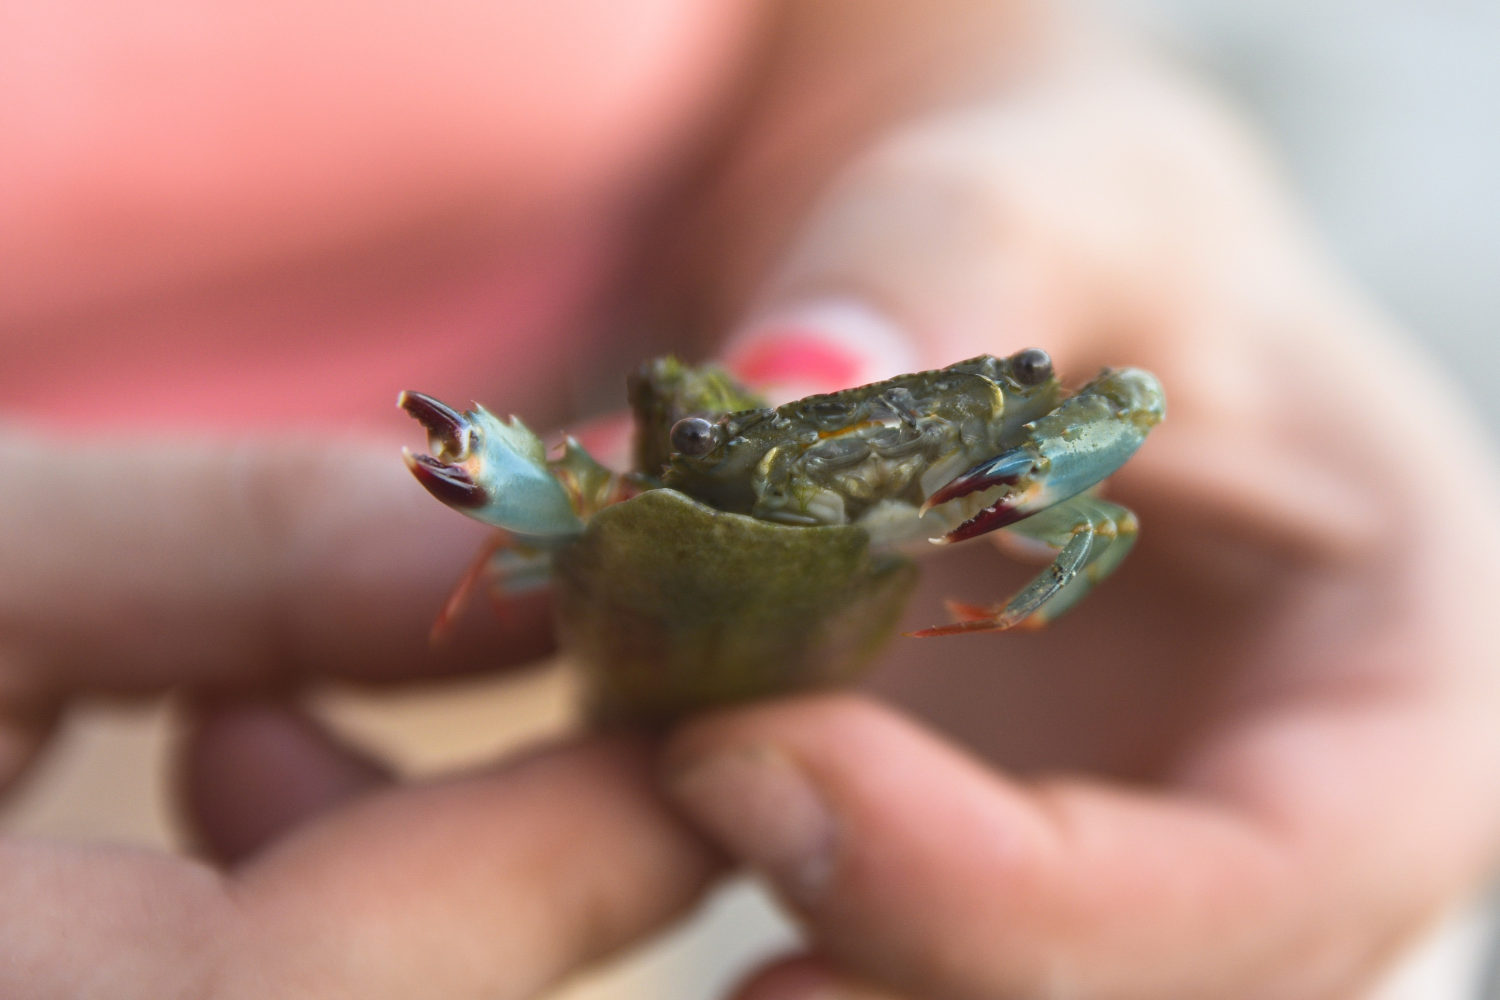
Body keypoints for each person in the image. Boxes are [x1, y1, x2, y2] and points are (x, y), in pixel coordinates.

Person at [3, 1, 1498, 997]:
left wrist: (973, 108)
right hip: (418, 651)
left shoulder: (970, 443)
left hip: (637, 717)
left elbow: (865, 34)